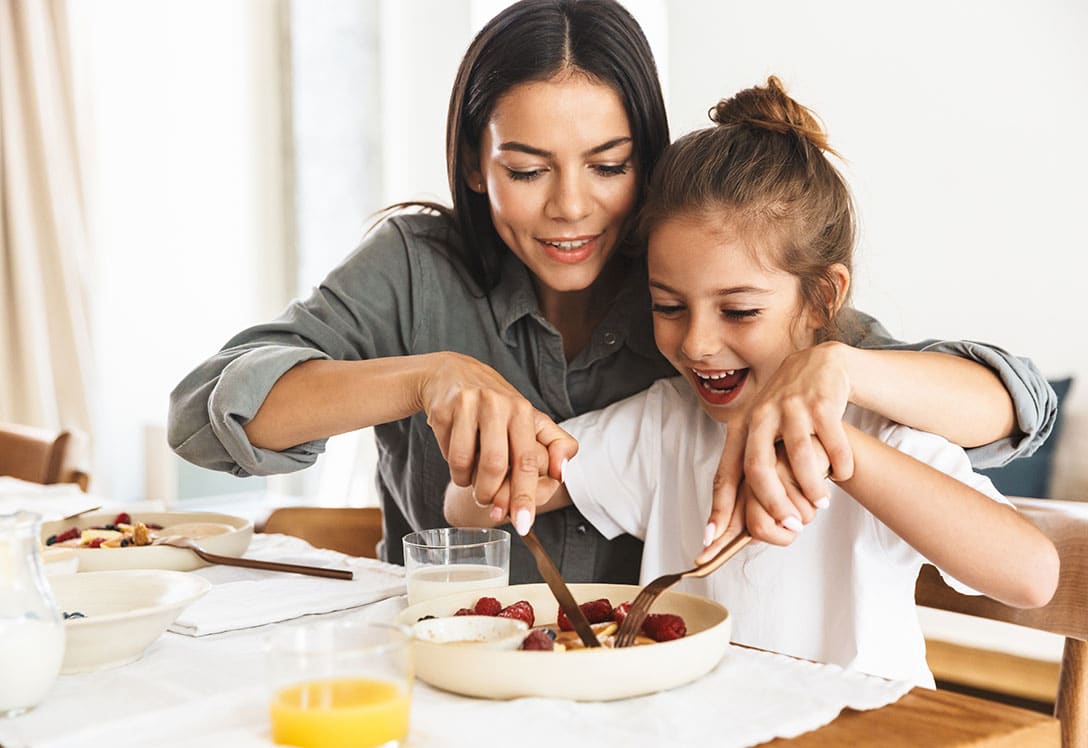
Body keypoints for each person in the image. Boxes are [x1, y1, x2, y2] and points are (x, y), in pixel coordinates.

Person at [168, 0, 1055, 585]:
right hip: (446, 674)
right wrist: (428, 378)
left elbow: (1008, 409)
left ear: (651, 157)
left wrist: (841, 369)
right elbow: (207, 412)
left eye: (610, 165)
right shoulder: (413, 264)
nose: (570, 208)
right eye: (526, 169)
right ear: (477, 166)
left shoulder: (694, 276)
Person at [444, 76, 1060, 685]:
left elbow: (1031, 576)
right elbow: (467, 506)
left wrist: (837, 454)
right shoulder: (665, 423)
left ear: (822, 298)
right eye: (668, 306)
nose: (696, 343)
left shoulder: (883, 431)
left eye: (738, 311)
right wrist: (505, 457)